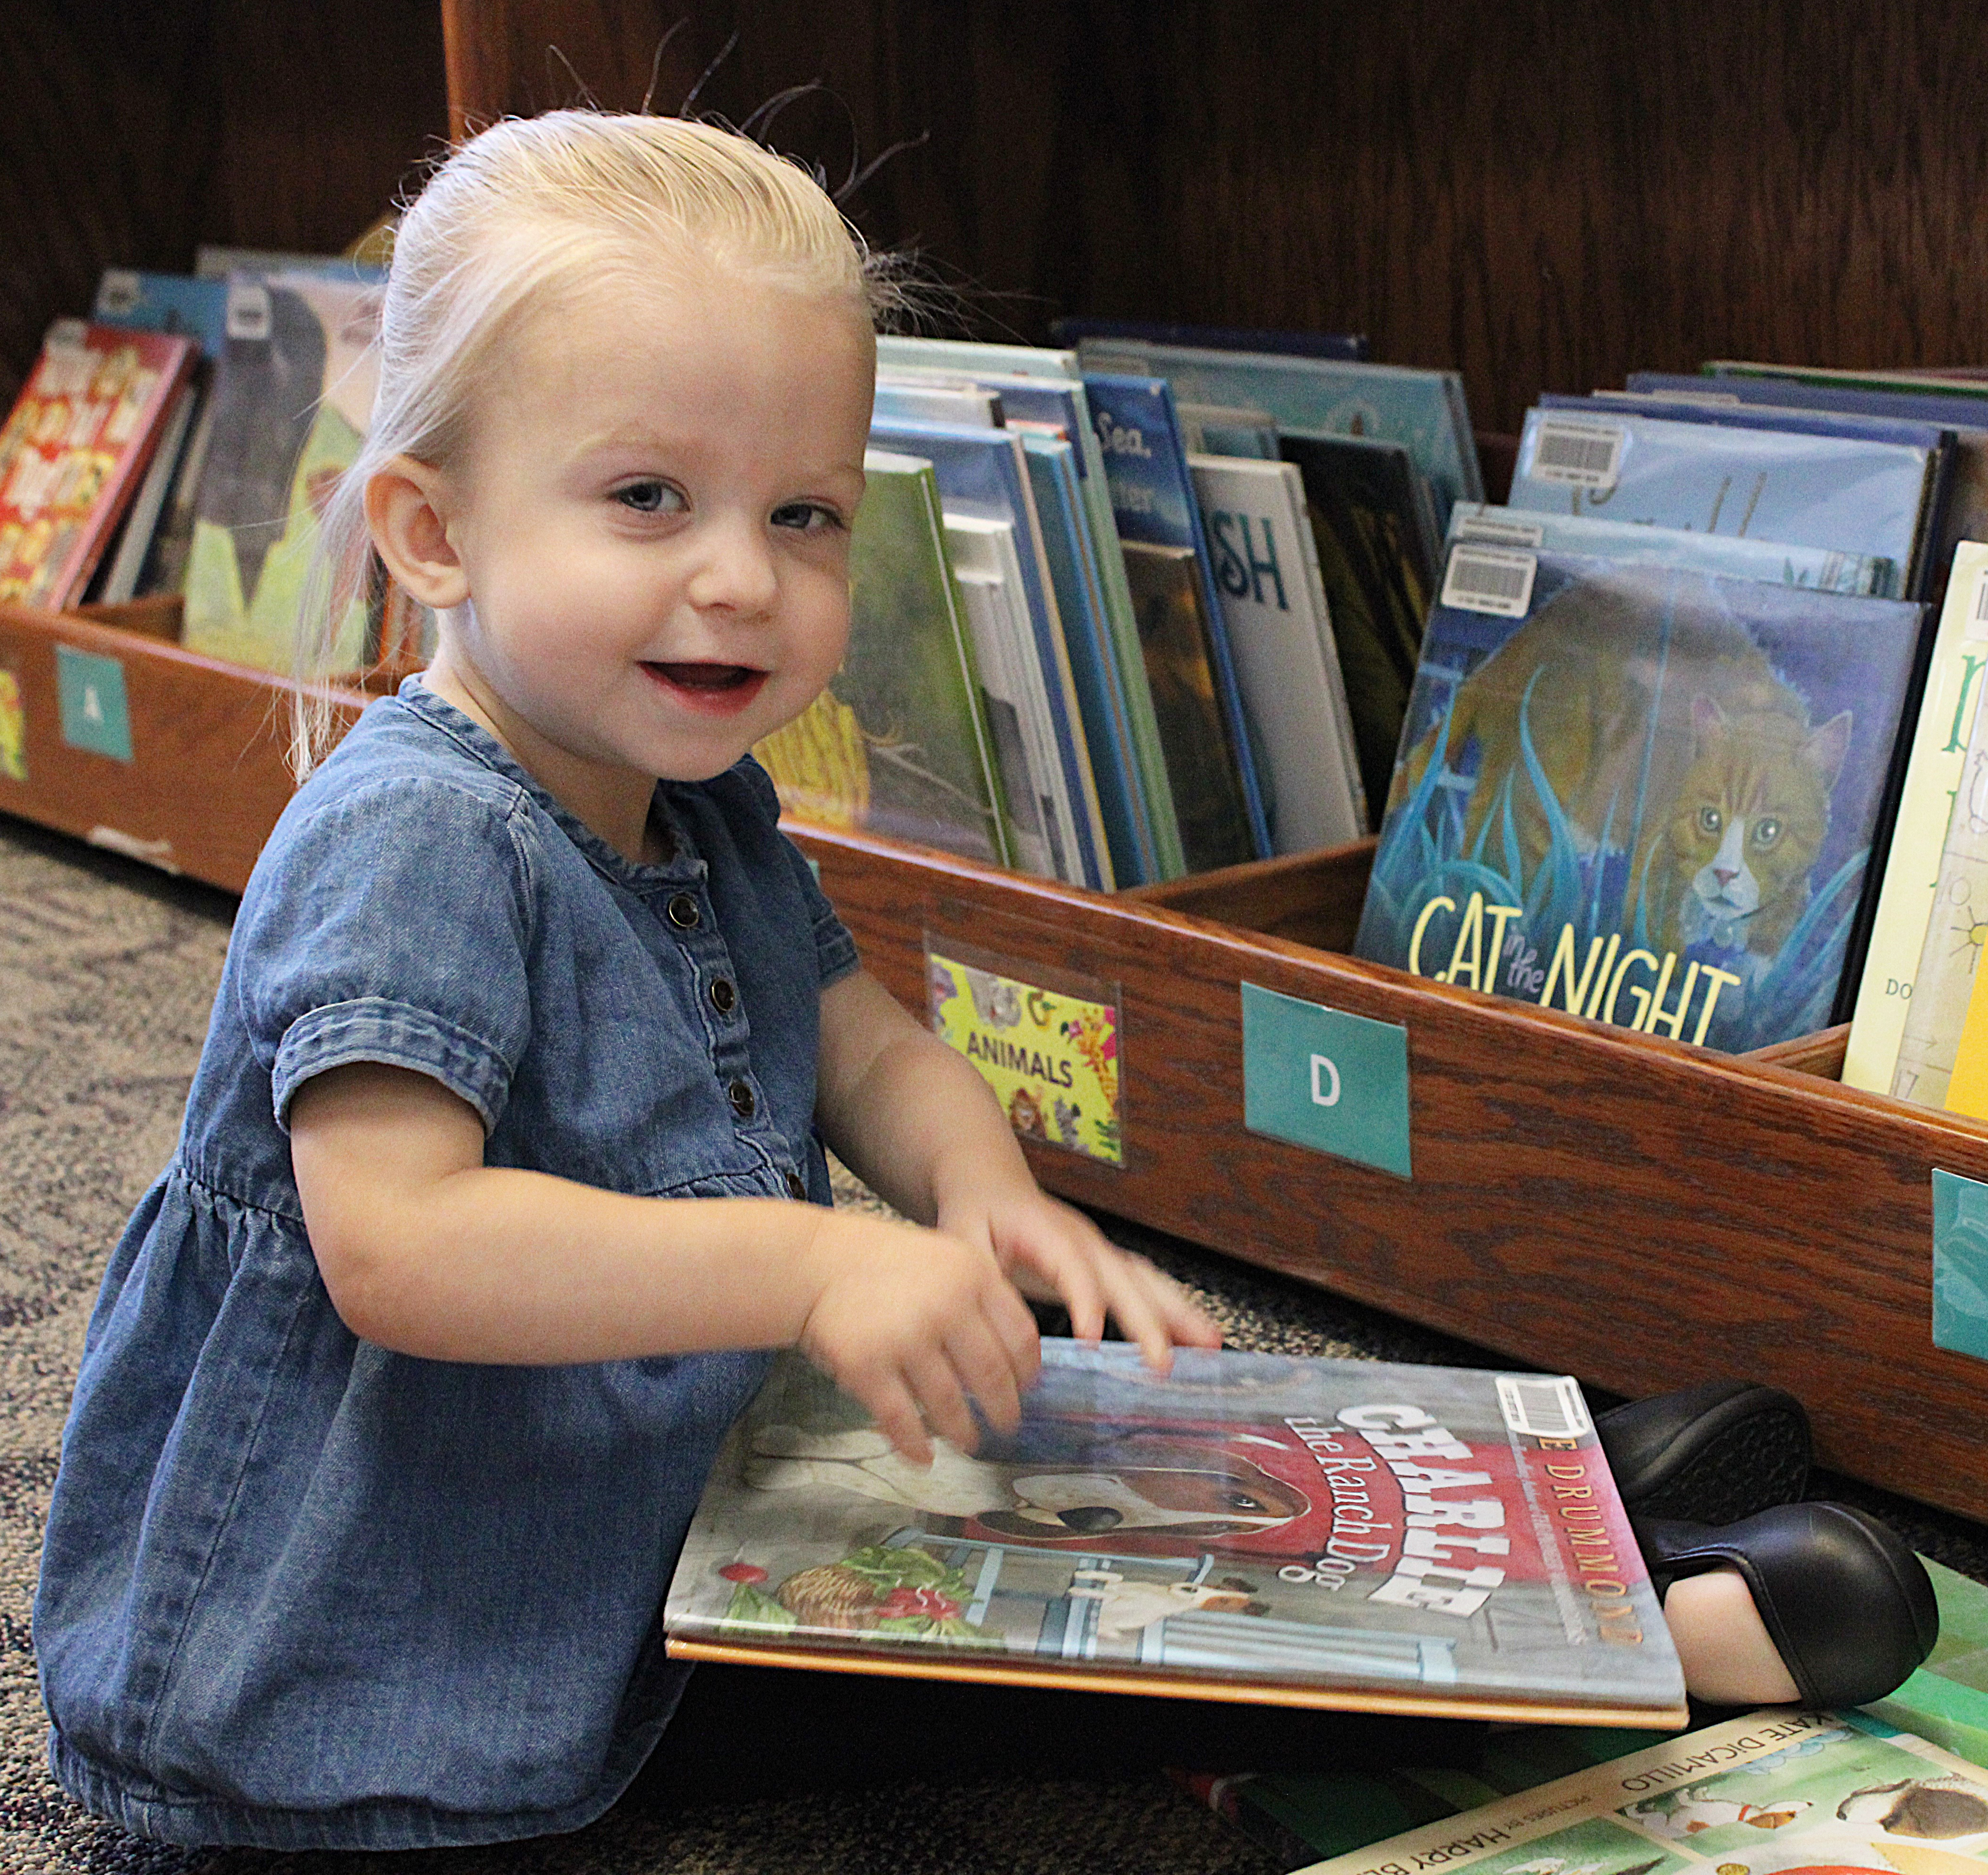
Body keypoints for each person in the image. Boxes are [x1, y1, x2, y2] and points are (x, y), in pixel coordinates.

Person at [31, 111, 1933, 1852]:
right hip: (388, 1654)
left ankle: (1561, 1475)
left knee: (1060, 1402)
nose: (742, 582)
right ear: (431, 529)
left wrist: (981, 1190)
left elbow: (855, 1033)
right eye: (644, 501)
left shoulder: (690, 799)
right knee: (978, 1637)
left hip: (638, 1471)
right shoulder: (417, 837)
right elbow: (403, 1247)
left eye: (799, 514)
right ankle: (1637, 1637)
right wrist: (814, 1260)